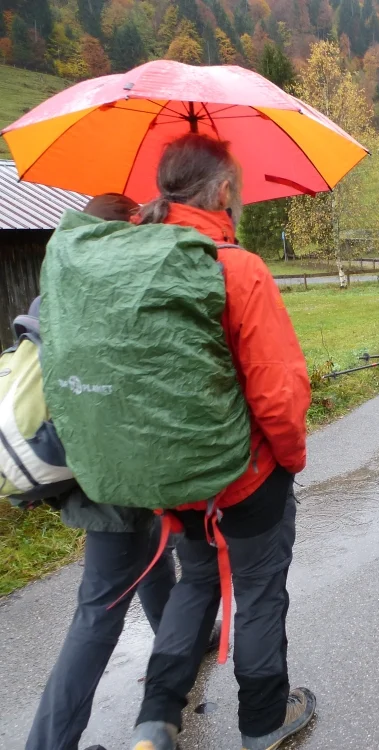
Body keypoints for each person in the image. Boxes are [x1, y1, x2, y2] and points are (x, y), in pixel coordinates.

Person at [128, 134, 313, 750]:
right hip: (245, 479)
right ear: (225, 193)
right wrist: (289, 461)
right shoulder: (238, 269)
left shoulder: (132, 266)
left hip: (171, 476)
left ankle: (156, 720)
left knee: (197, 580)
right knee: (259, 589)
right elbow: (277, 395)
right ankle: (262, 722)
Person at [24, 194, 218, 750]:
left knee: (148, 553)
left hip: (82, 460)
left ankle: (182, 637)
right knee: (100, 610)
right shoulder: (123, 288)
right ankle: (49, 742)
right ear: (125, 232)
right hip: (119, 466)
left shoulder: (58, 285)